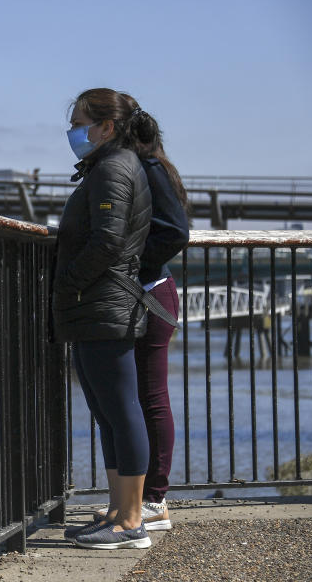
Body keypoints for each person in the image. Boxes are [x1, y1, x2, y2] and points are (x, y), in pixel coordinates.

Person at [53, 87, 153, 549]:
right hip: (97, 304)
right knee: (107, 412)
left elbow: (108, 239)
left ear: (106, 127)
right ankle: (118, 510)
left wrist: (70, 280)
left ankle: (131, 519)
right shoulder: (107, 165)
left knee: (120, 409)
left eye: (79, 121)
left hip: (104, 303)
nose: (72, 131)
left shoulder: (113, 167)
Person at [92, 93, 189, 531]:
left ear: (110, 126)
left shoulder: (145, 168)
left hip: (149, 291)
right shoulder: (138, 166)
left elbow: (174, 231)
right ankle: (141, 500)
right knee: (135, 398)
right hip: (142, 290)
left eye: (81, 123)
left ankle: (154, 499)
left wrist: (130, 260)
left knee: (149, 397)